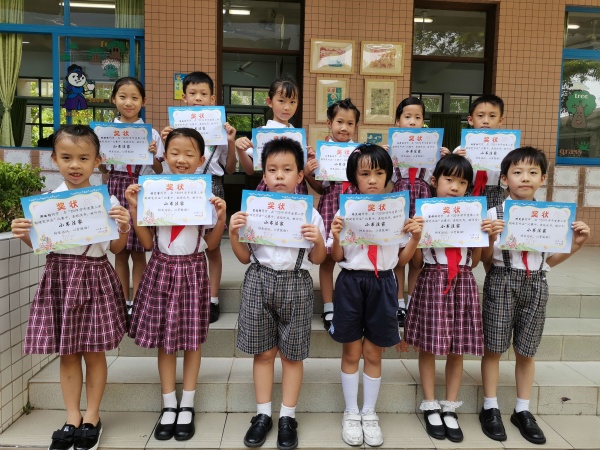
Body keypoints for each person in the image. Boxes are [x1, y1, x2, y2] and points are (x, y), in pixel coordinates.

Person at [11, 125, 131, 450]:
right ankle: (72, 416)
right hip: (60, 277)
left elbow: (117, 249)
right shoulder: (45, 203)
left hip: (95, 276)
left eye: (83, 158)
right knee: (67, 353)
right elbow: (41, 245)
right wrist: (24, 234)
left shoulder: (108, 201)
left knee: (94, 351)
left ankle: (92, 416)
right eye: (66, 157)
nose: (75, 165)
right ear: (54, 159)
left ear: (97, 161)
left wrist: (123, 227)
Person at [479, 147, 590, 445]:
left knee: (527, 350)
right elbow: (485, 260)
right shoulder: (493, 214)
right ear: (505, 179)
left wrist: (577, 244)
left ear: (542, 179)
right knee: (493, 347)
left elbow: (549, 260)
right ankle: (490, 407)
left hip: (537, 283)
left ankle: (522, 409)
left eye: (532, 172)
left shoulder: (551, 217)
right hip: (501, 280)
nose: (525, 178)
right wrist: (490, 236)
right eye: (517, 172)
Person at [125, 128, 227, 441]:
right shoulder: (154, 190)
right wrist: (134, 209)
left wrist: (221, 217)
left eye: (189, 154)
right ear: (164, 156)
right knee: (165, 341)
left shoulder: (205, 195)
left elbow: (212, 246)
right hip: (160, 268)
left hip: (194, 270)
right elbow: (146, 243)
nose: (181, 159)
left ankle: (188, 404)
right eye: (174, 153)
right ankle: (169, 403)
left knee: (192, 341)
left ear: (201, 159)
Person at [229, 137, 326, 450]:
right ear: (264, 174)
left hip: (297, 282)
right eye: (272, 169)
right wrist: (233, 233)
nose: (279, 175)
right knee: (263, 352)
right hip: (258, 280)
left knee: (292, 355)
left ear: (300, 175)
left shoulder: (311, 215)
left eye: (287, 169)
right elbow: (243, 257)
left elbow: (318, 259)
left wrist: (318, 241)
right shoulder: (252, 210)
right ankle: (262, 414)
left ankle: (287, 416)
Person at [328, 144, 423, 447]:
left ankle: (369, 412)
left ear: (388, 176)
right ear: (354, 177)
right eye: (365, 173)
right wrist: (336, 236)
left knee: (373, 352)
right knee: (351, 352)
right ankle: (351, 411)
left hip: (383, 284)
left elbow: (402, 260)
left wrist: (415, 237)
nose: (372, 179)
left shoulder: (396, 211)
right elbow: (337, 256)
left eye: (379, 173)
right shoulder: (344, 211)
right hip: (351, 283)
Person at [404, 154, 491, 442]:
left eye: (462, 182)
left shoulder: (473, 215)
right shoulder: (424, 213)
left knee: (457, 348)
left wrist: (483, 236)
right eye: (449, 179)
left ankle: (450, 407)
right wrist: (416, 235)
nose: (455, 187)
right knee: (428, 346)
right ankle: (430, 404)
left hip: (463, 281)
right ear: (434, 180)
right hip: (432, 280)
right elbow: (417, 263)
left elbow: (474, 262)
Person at [161, 71, 237, 323]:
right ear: (183, 98)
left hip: (211, 186)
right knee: (182, 242)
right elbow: (163, 163)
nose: (198, 98)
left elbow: (230, 169)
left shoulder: (220, 129)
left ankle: (212, 298)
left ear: (212, 98)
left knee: (212, 247)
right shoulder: (174, 130)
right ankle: (184, 295)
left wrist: (231, 142)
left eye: (204, 94)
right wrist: (164, 140)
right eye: (192, 93)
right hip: (180, 187)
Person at [98, 77, 164, 325]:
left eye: (135, 98)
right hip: (114, 188)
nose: (128, 102)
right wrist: (102, 157)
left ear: (143, 102)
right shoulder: (104, 132)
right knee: (120, 250)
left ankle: (138, 302)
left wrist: (152, 154)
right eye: (123, 97)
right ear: (113, 99)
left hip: (140, 190)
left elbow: (159, 169)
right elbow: (103, 168)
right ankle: (120, 301)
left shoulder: (151, 133)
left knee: (139, 251)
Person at [302, 98, 360, 331]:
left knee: (353, 255)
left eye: (350, 123)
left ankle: (351, 305)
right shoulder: (321, 152)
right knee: (327, 259)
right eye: (339, 122)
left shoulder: (360, 152)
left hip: (354, 207)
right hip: (330, 205)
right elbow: (320, 188)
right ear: (329, 123)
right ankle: (328, 307)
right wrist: (308, 173)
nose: (344, 128)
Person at [391, 97, 448, 327]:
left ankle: (413, 302)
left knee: (418, 258)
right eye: (407, 117)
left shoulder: (433, 150)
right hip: (399, 204)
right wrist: (381, 154)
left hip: (423, 203)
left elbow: (440, 179)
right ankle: (398, 303)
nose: (412, 122)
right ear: (397, 121)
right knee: (399, 256)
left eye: (418, 117)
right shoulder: (391, 149)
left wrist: (446, 157)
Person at [235, 74, 309, 194]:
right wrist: (240, 150)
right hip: (269, 189)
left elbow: (301, 169)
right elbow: (250, 170)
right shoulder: (261, 133)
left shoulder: (297, 135)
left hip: (295, 190)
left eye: (292, 102)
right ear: (270, 102)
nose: (287, 107)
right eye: (281, 101)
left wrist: (309, 158)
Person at [454, 94, 506, 211]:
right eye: (480, 116)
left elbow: (509, 181)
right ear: (470, 120)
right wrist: (455, 161)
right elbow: (452, 176)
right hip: (465, 195)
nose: (486, 121)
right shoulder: (460, 150)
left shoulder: (507, 151)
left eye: (492, 116)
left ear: (500, 121)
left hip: (495, 196)